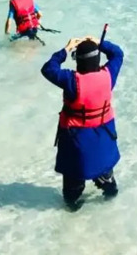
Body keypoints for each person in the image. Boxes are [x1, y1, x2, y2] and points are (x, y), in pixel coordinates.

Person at [42, 35, 124, 210]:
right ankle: (111, 204)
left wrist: (66, 50)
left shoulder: (71, 81)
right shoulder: (108, 75)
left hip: (76, 144)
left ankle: (71, 218)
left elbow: (48, 69)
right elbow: (118, 54)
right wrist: (100, 43)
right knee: (108, 182)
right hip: (103, 140)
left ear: (77, 61)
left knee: (71, 195)